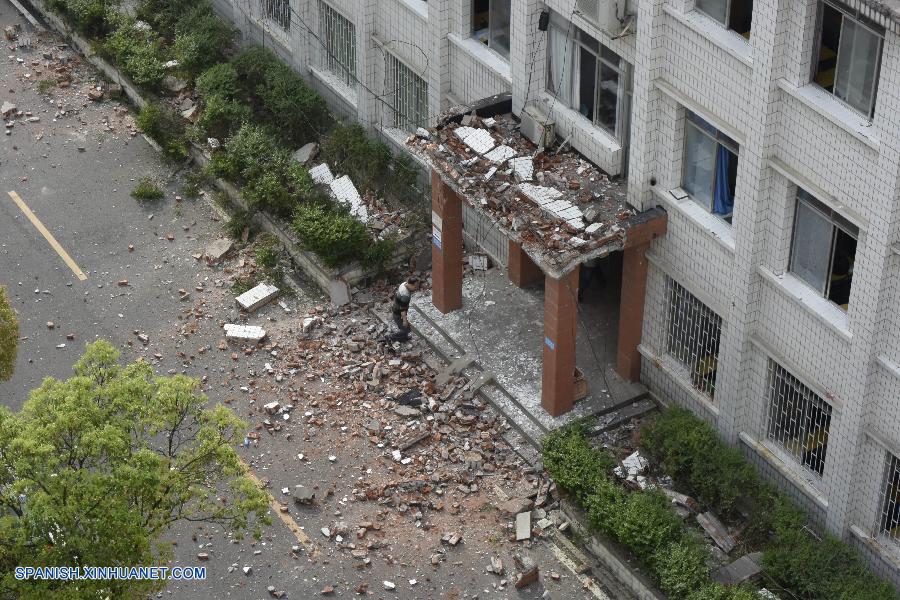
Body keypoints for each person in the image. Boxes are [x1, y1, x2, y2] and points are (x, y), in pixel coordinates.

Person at [390, 276, 420, 342]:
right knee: (405, 329)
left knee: (405, 328)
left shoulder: (403, 284)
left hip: (396, 307)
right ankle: (392, 337)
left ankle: (404, 337)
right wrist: (404, 320)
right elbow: (402, 309)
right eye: (415, 286)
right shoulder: (405, 295)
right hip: (398, 312)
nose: (416, 288)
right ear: (410, 284)